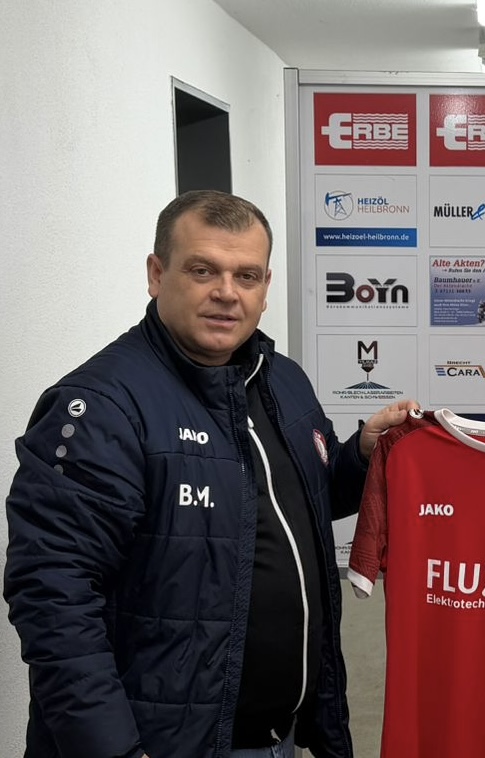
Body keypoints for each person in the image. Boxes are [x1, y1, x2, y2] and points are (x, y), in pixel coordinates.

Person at [4, 190, 417, 758]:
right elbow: (53, 601)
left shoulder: (283, 381)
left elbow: (296, 504)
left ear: (265, 288)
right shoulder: (102, 406)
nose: (227, 292)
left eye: (246, 276)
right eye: (203, 270)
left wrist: (361, 457)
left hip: (282, 739)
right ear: (156, 274)